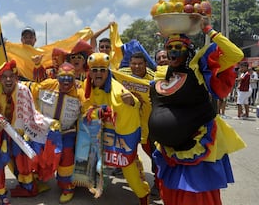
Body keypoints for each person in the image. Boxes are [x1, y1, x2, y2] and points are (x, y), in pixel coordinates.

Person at [148, 16, 246, 205]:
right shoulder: (164, 74)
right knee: (172, 193)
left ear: (188, 50)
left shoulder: (199, 68)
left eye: (179, 48)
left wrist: (209, 30)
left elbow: (235, 55)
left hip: (197, 145)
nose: (173, 52)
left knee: (196, 195)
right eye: (170, 48)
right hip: (170, 150)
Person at [84, 52, 150, 205]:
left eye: (102, 70)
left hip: (118, 135)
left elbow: (133, 103)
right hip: (98, 135)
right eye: (95, 70)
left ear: (108, 71)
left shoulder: (117, 88)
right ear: (90, 72)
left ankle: (143, 194)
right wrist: (97, 113)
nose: (98, 73)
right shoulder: (86, 88)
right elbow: (84, 108)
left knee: (129, 166)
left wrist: (132, 102)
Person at [0, 60, 62, 200]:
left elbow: (31, 113)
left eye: (11, 76)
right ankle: (25, 183)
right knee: (10, 161)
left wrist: (47, 124)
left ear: (16, 77)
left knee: (22, 160)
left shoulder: (23, 90)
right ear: (0, 78)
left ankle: (30, 186)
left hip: (21, 133)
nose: (8, 79)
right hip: (3, 133)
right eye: (4, 76)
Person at [25, 62, 86, 203]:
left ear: (75, 77)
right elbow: (29, 90)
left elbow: (88, 106)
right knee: (37, 153)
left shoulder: (80, 91)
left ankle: (67, 186)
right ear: (57, 76)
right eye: (62, 77)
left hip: (67, 131)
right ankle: (40, 178)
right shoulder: (47, 84)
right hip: (45, 130)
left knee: (66, 154)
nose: (66, 81)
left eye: (69, 77)